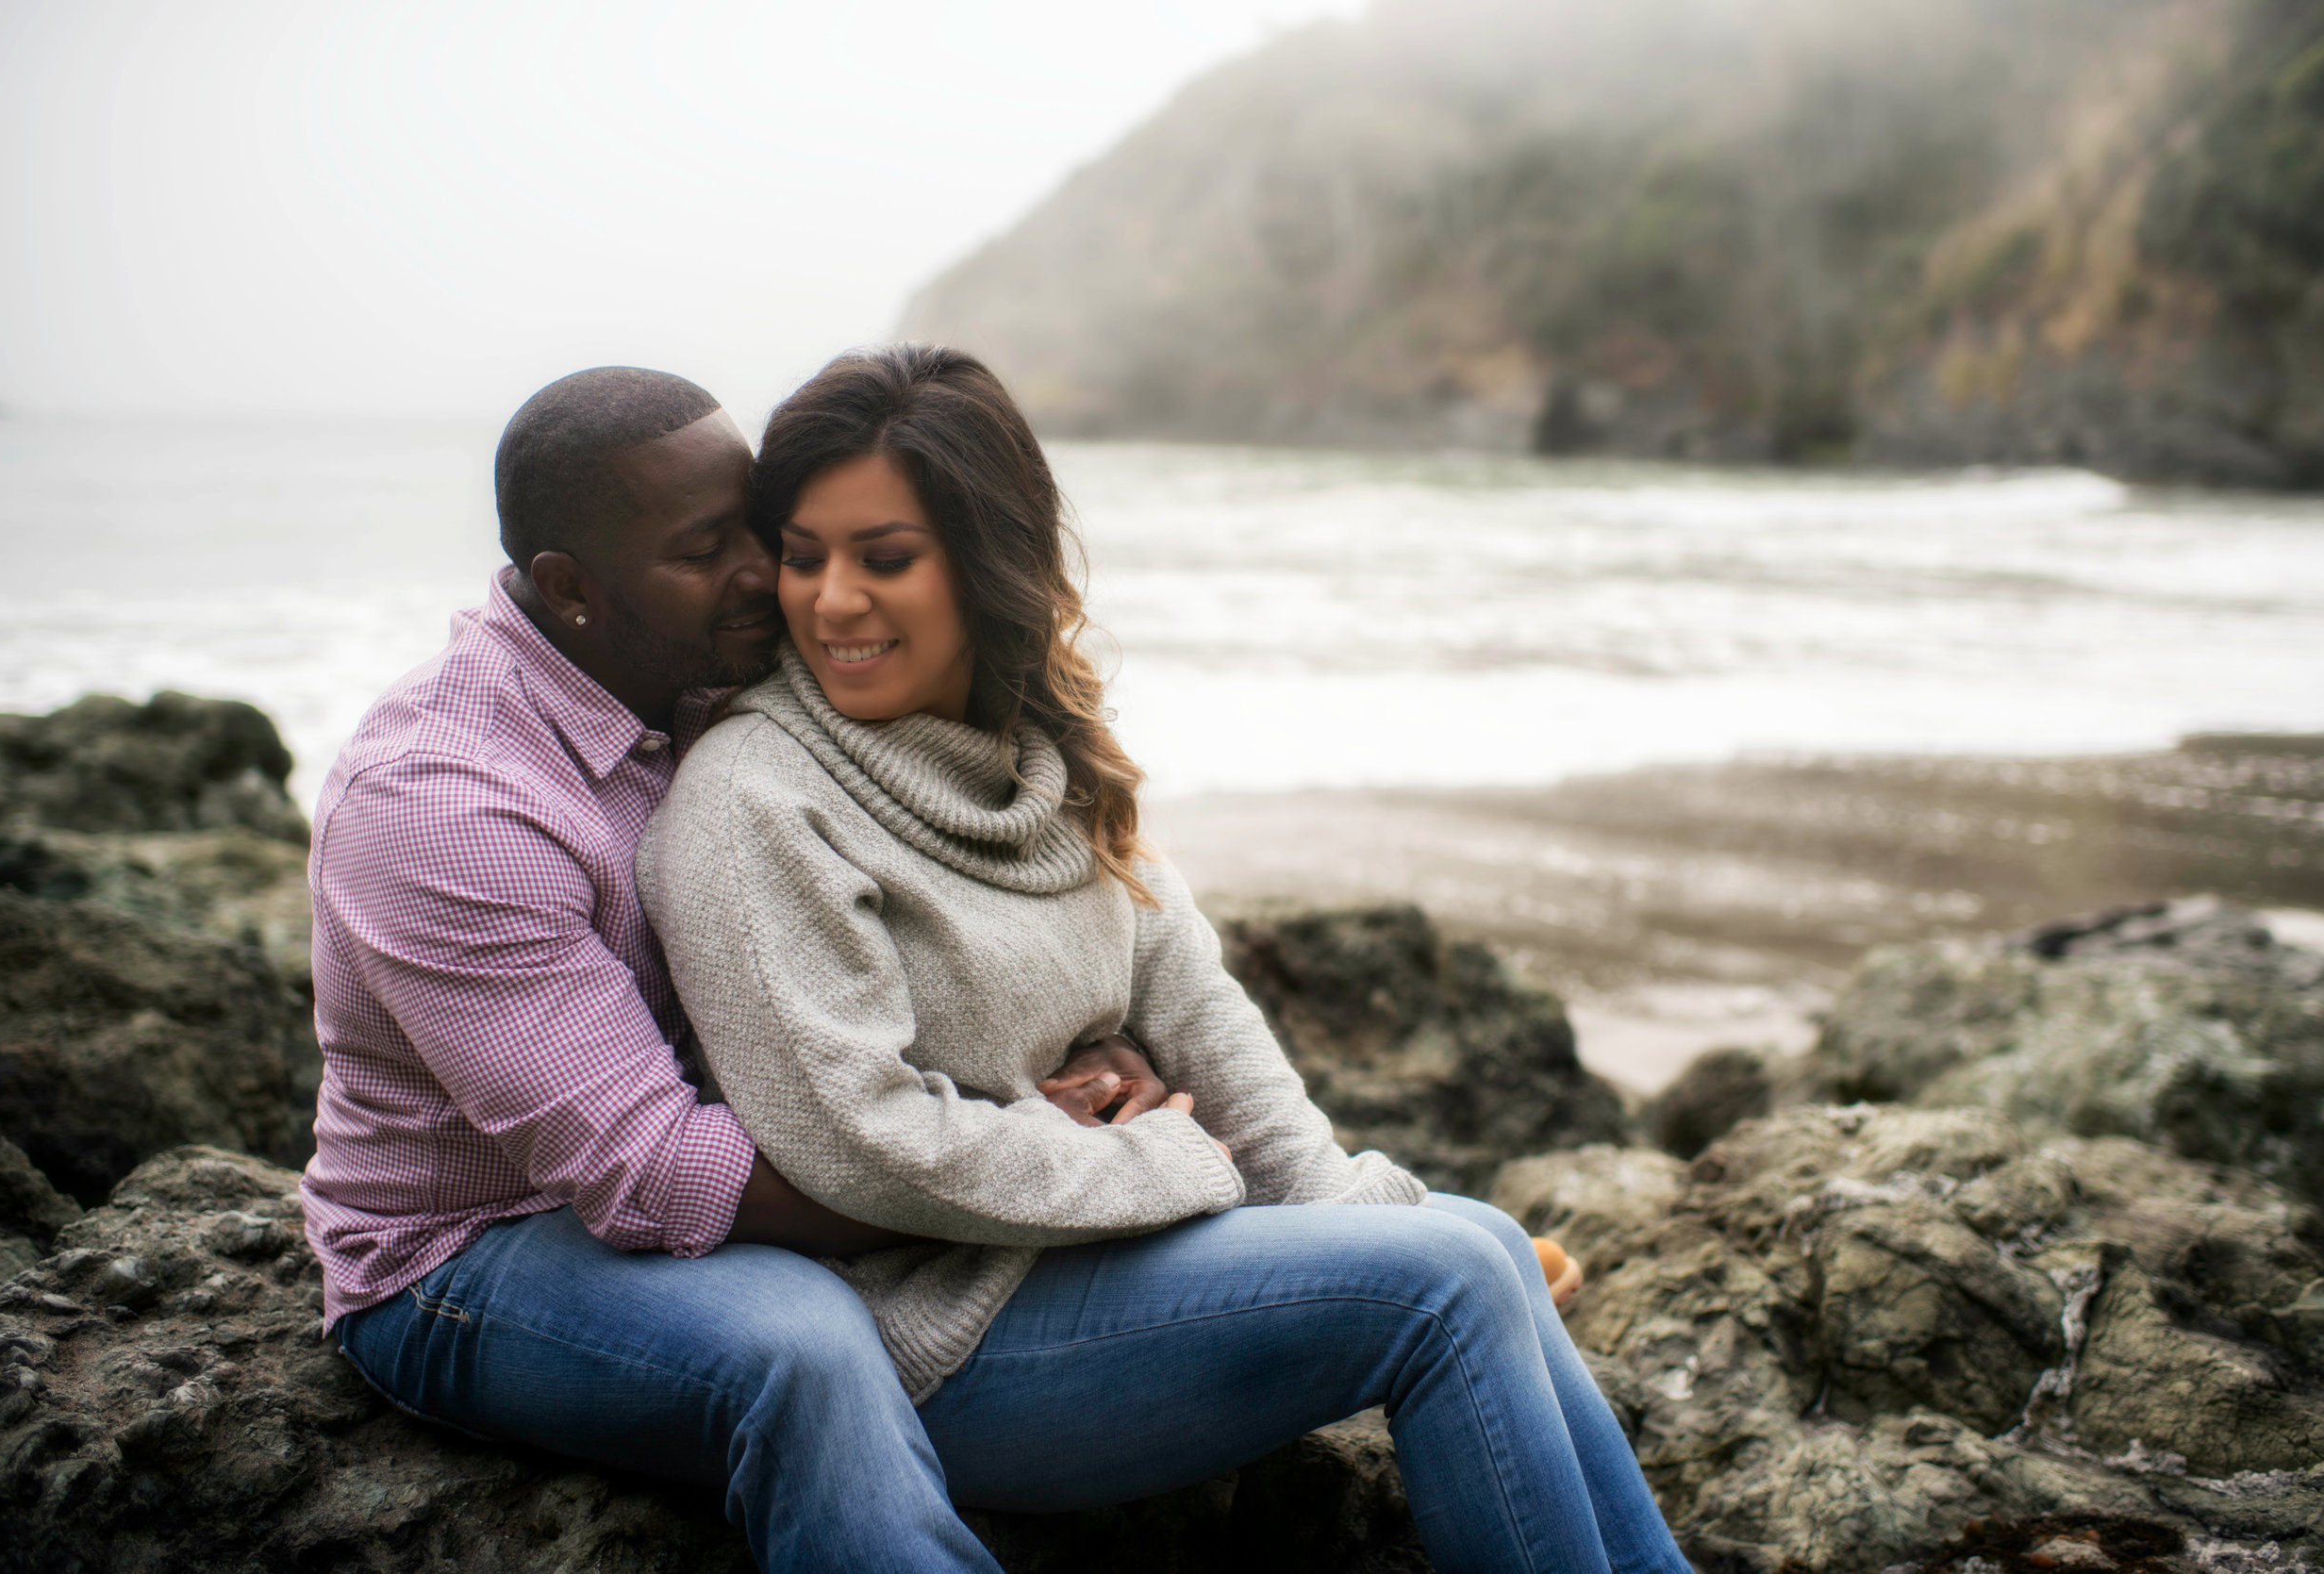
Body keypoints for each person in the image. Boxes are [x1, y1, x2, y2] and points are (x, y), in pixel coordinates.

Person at [638, 344, 1694, 1574]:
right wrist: (1165, 1158)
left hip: (1094, 1266)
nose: (831, 603)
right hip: (940, 1343)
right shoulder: (750, 804)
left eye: (885, 558)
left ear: (986, 565)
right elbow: (857, 1142)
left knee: (1482, 1247)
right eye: (804, 555)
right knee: (1446, 1281)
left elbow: (1184, 985)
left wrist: (1321, 1191)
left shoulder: (1036, 750)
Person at [302, 365, 1176, 1573]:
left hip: (785, 1154)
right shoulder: (448, 801)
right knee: (800, 1345)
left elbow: (950, 893)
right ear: (570, 590)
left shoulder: (709, 680)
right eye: (706, 549)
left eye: (757, 532)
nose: (769, 578)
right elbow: (655, 1175)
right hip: (473, 1251)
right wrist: (1045, 1150)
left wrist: (1083, 1040)